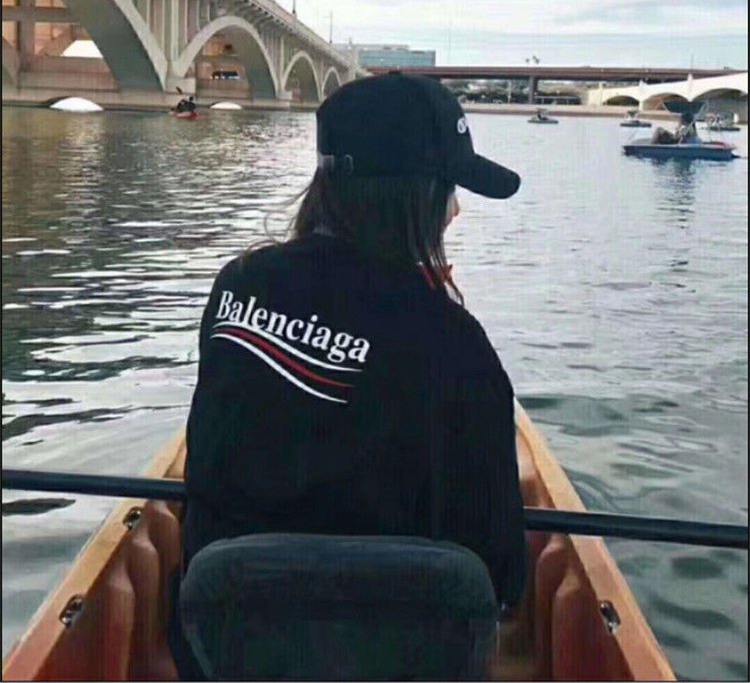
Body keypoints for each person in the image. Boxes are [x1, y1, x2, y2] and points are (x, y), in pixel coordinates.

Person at [172, 73, 527, 677]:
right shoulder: (454, 344)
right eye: (448, 188)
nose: (456, 210)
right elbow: (504, 570)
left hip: (227, 653)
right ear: (410, 196)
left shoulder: (238, 287)